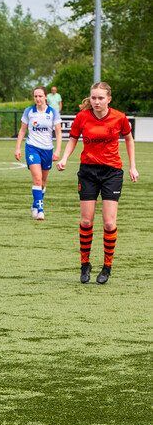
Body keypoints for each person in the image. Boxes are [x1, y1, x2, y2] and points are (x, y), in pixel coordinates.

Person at [56, 82, 138, 284]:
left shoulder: (119, 117)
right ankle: (85, 264)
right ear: (90, 99)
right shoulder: (82, 117)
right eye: (94, 98)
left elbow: (129, 139)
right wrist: (65, 158)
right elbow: (73, 139)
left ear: (109, 98)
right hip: (88, 172)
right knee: (86, 221)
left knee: (109, 223)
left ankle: (107, 267)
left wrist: (132, 166)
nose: (97, 101)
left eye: (101, 98)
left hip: (112, 172)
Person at [13, 86, 62, 220]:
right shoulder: (29, 111)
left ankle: (35, 203)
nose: (38, 99)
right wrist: (17, 148)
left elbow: (58, 132)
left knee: (44, 182)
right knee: (37, 179)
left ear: (45, 97)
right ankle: (40, 209)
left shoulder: (53, 112)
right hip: (32, 148)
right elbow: (22, 131)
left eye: (40, 96)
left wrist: (57, 150)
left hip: (47, 149)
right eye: (35, 96)